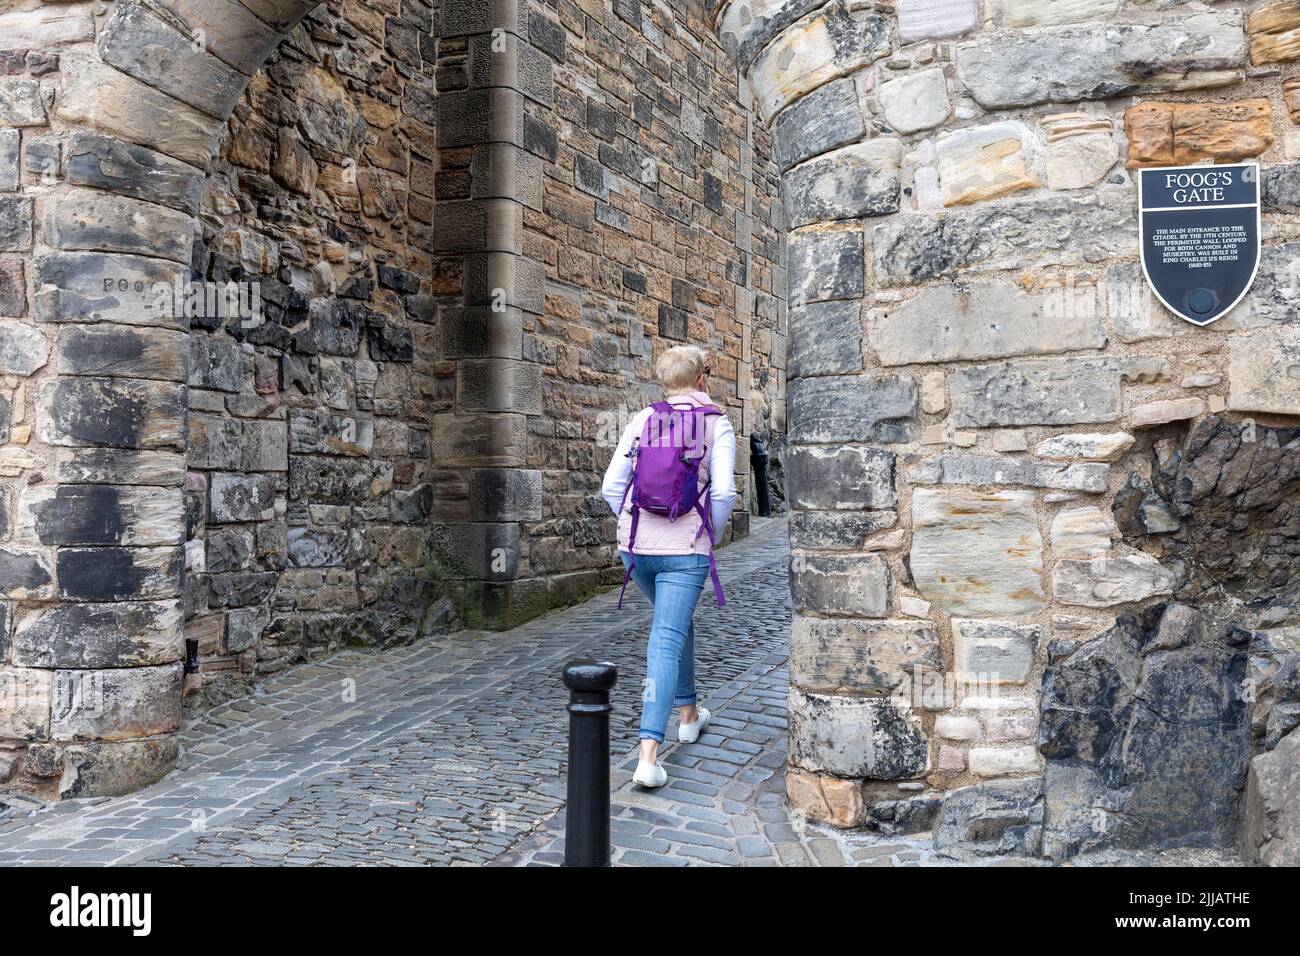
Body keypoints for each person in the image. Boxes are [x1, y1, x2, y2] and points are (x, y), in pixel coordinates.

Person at [601, 345, 737, 788]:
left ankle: (689, 714)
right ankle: (648, 756)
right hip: (685, 550)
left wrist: (628, 527)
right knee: (665, 638)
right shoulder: (716, 423)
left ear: (665, 381)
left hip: (636, 549)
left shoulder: (644, 419)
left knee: (674, 623)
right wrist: (708, 535)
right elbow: (723, 495)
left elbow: (611, 486)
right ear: (702, 379)